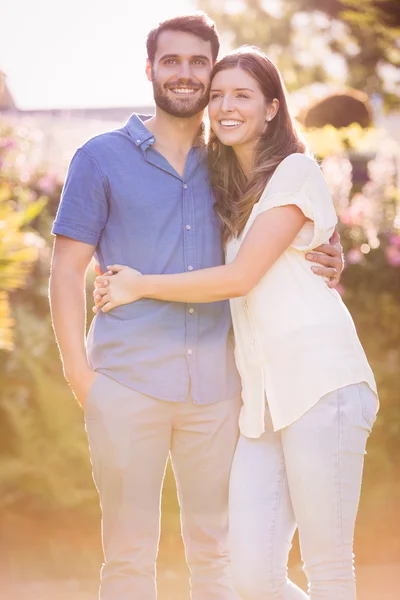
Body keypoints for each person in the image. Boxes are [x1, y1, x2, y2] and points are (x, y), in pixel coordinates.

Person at [49, 12, 343, 600]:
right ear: (151, 69)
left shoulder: (234, 163)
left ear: (211, 71)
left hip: (217, 391)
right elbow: (64, 271)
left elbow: (284, 237)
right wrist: (82, 377)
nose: (184, 74)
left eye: (197, 62)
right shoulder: (101, 157)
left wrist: (333, 255)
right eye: (171, 61)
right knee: (128, 559)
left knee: (219, 557)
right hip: (127, 382)